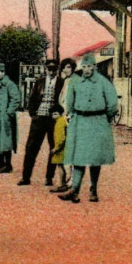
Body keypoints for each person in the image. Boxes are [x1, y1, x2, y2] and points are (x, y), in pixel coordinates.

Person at [59, 53, 118, 203]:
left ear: (95, 67)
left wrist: (106, 119)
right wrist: (71, 115)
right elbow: (69, 102)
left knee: (94, 158)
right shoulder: (75, 82)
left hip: (97, 122)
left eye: (89, 66)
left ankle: (93, 189)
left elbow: (112, 104)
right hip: (79, 122)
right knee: (78, 157)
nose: (86, 70)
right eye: (84, 67)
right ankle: (75, 190)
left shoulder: (104, 83)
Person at [18, 59, 64, 186]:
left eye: (54, 69)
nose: (51, 71)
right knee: (31, 147)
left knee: (54, 148)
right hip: (39, 118)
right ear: (45, 69)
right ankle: (25, 177)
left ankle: (49, 177)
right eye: (49, 69)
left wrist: (59, 116)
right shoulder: (39, 82)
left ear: (57, 70)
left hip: (53, 120)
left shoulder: (62, 82)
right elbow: (32, 99)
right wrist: (33, 114)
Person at [0, 62, 20, 173]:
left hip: (3, 118)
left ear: (3, 72)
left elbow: (16, 100)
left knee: (6, 140)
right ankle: (0, 162)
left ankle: (8, 164)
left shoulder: (9, 84)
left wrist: (8, 112)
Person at [49, 104, 69, 193]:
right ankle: (63, 183)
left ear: (60, 114)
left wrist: (56, 148)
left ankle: (61, 184)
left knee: (60, 166)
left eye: (55, 114)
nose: (53, 116)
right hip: (64, 148)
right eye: (52, 114)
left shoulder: (59, 123)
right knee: (61, 166)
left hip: (60, 149)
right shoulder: (63, 121)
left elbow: (61, 137)